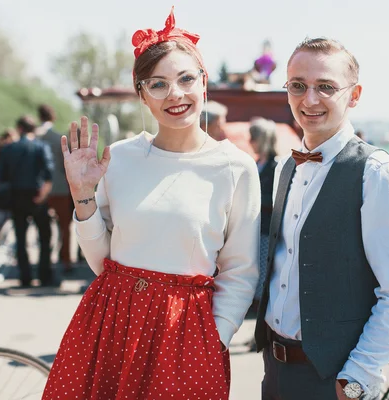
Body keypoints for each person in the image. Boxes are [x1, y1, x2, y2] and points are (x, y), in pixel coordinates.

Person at [42, 8, 260, 399]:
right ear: (142, 95)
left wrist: (215, 338)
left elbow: (241, 270)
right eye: (157, 84)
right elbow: (101, 261)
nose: (175, 94)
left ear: (204, 83)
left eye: (185, 79)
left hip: (188, 335)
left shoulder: (235, 168)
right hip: (110, 322)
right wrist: (82, 196)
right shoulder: (118, 158)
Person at [254, 37, 389, 400]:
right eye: (298, 86)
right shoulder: (286, 166)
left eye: (325, 87)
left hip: (334, 380)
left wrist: (356, 379)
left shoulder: (376, 173)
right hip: (274, 370)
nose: (309, 99)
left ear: (354, 94)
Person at [0, 116, 54, 287]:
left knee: (20, 238)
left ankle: (25, 275)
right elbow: (49, 172)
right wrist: (43, 195)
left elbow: (2, 175)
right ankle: (44, 274)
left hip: (16, 196)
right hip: (37, 196)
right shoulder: (40, 146)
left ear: (19, 129)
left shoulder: (9, 149)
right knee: (45, 236)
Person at [36, 104, 74, 273]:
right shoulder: (59, 138)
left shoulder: (35, 137)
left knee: (40, 228)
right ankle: (66, 260)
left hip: (39, 189)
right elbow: (64, 165)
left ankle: (42, 261)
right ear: (53, 117)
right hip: (59, 188)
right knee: (64, 227)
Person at [248, 117, 278, 305]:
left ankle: (259, 304)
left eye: (253, 138)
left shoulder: (276, 166)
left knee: (263, 268)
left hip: (266, 227)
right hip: (254, 228)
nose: (250, 142)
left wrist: (253, 198)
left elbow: (276, 199)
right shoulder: (257, 163)